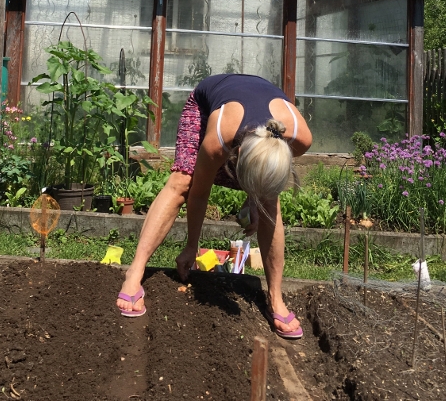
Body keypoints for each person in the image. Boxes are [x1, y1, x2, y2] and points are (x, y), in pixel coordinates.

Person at [116, 73, 312, 338]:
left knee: (270, 201)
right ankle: (134, 272)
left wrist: (256, 198)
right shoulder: (219, 138)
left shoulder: (299, 138)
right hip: (208, 104)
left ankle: (276, 298)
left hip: (256, 112)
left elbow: (267, 176)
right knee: (182, 181)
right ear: (237, 159)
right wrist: (191, 247)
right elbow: (199, 194)